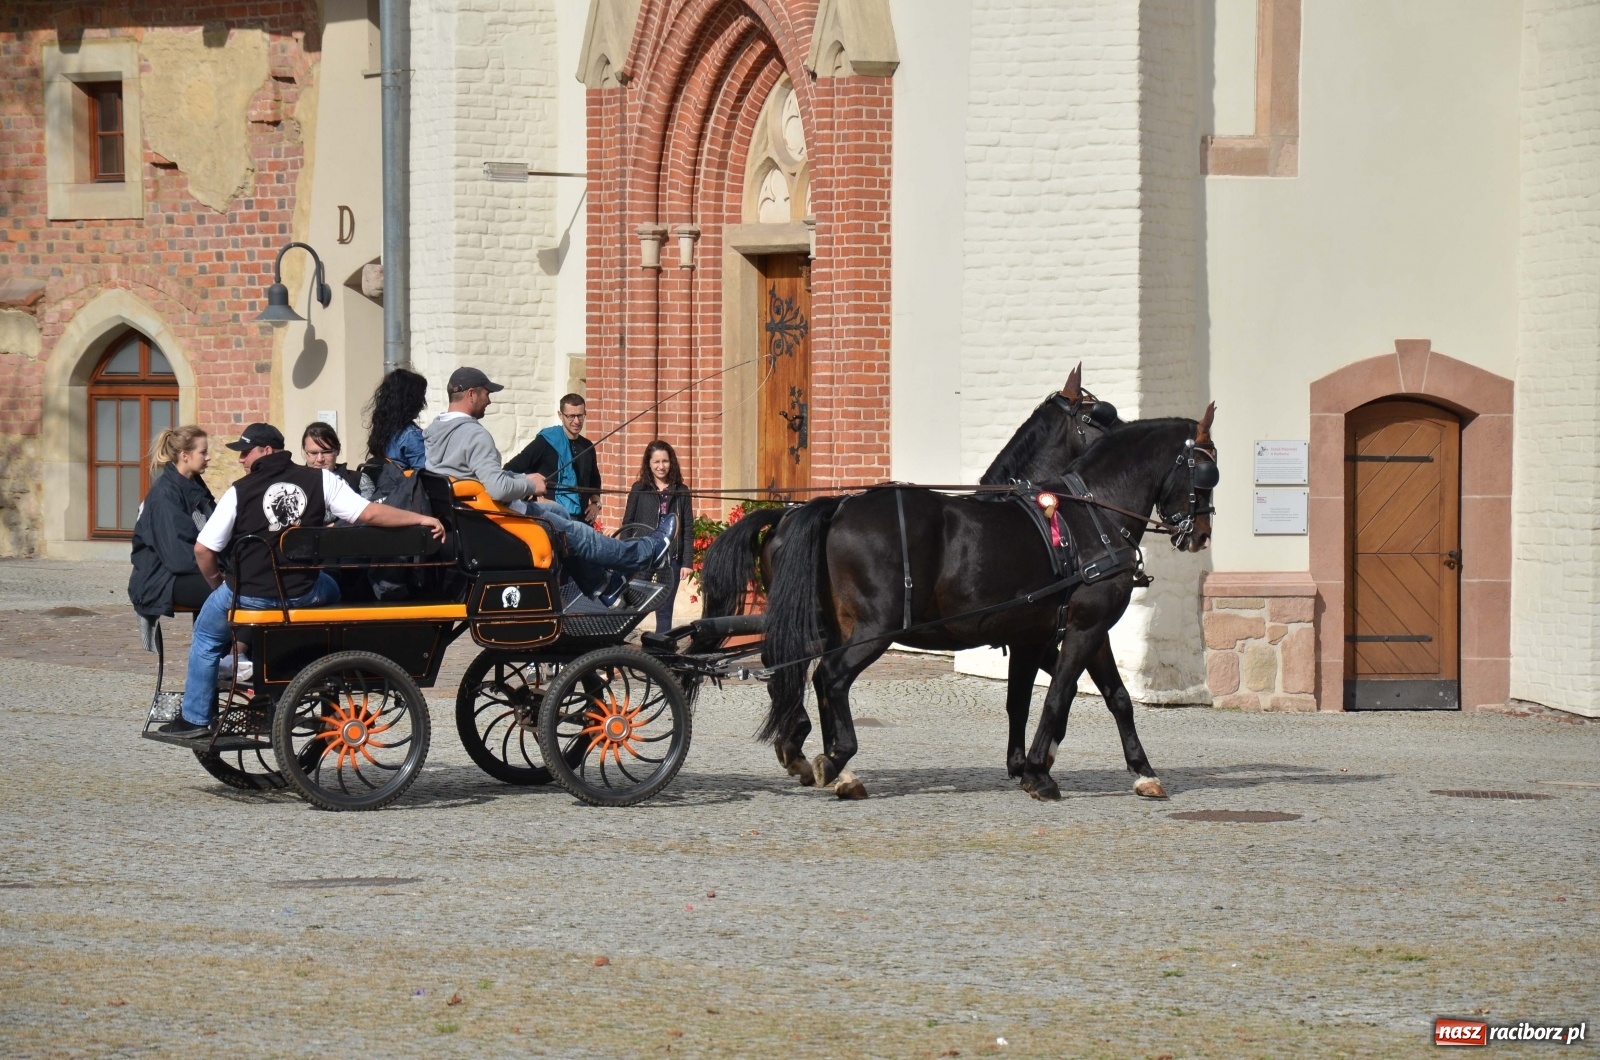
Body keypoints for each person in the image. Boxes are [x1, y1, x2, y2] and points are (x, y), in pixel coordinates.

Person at [161, 422, 447, 738]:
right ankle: (318, 655)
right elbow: (369, 514)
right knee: (332, 585)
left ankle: (195, 719)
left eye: (245, 452)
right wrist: (421, 518)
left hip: (249, 592)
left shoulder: (239, 491)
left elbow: (203, 549)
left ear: (266, 451)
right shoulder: (321, 481)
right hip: (301, 592)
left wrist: (219, 585)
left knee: (206, 638)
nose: (241, 459)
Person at [423, 367, 674, 604]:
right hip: (493, 523)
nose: (489, 400)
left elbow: (481, 479)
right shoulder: (475, 434)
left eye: (580, 415)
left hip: (471, 520)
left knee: (559, 514)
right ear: (471, 394)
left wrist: (526, 483)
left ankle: (603, 585)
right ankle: (646, 554)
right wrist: (530, 485)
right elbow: (498, 487)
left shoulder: (435, 431)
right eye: (486, 394)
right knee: (578, 534)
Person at [128, 426, 216, 617]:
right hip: (160, 580)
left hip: (184, 572)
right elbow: (179, 556)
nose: (208, 457)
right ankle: (208, 647)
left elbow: (215, 531)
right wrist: (218, 570)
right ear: (185, 455)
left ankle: (223, 646)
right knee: (230, 593)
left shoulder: (195, 487)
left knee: (242, 587)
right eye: (203, 452)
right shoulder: (164, 495)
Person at [622, 441, 694, 633]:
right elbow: (628, 523)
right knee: (634, 604)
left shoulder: (681, 491)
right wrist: (623, 556)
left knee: (664, 609)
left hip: (671, 559)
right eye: (656, 462)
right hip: (644, 555)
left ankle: (661, 651)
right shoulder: (639, 488)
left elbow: (687, 527)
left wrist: (687, 562)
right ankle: (619, 650)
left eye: (665, 461)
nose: (661, 466)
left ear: (672, 463)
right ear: (649, 464)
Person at [506, 393, 601, 525]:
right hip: (552, 518)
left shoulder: (587, 446)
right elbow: (510, 469)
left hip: (582, 520)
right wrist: (536, 495)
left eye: (580, 415)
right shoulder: (545, 442)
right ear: (560, 415)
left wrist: (596, 503)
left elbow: (594, 480)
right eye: (571, 416)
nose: (577, 421)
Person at [364, 367, 429, 474]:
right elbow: (424, 477)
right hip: (403, 488)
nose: (423, 404)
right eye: (420, 398)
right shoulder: (411, 436)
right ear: (409, 401)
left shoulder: (382, 429)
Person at [301, 421, 362, 491]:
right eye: (314, 453)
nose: (320, 459)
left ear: (338, 450)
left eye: (326, 452)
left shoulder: (358, 480)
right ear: (305, 452)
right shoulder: (293, 482)